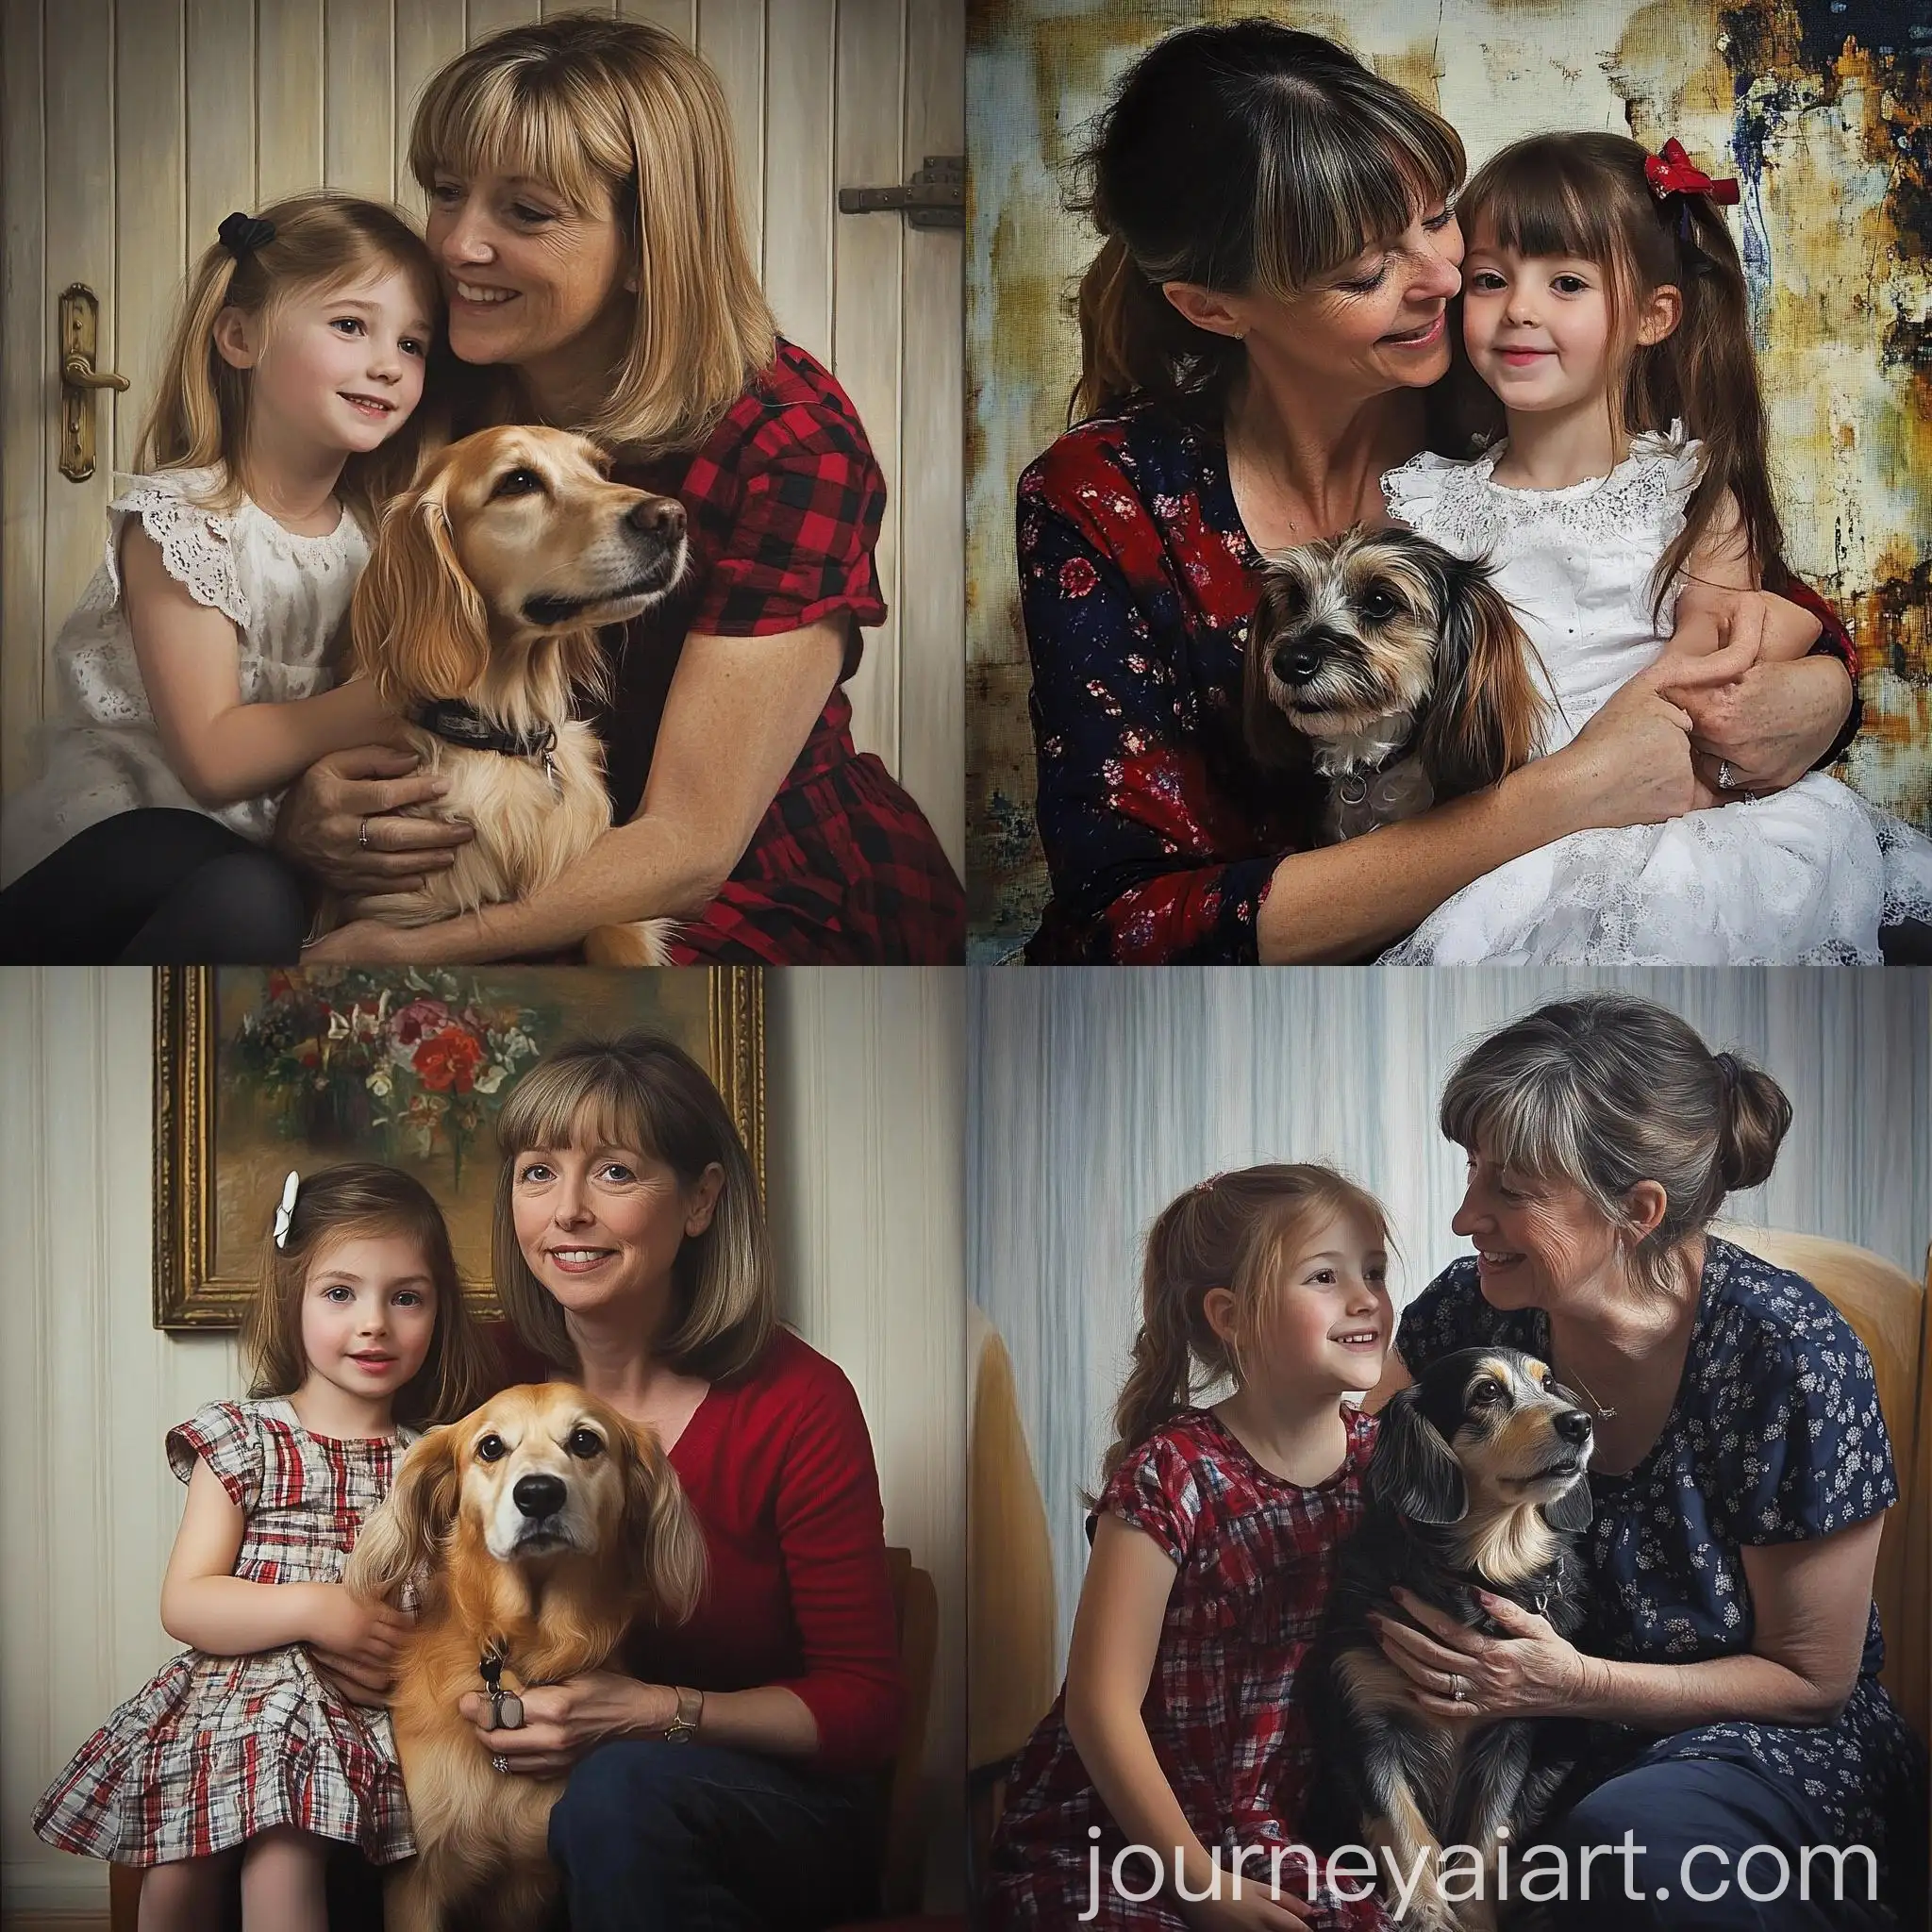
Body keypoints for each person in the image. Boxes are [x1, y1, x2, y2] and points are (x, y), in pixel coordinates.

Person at [1016, 19, 1863, 964]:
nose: (1446, 277)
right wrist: (1563, 794)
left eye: (1434, 217)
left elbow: (1724, 596)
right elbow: (1122, 928)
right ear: (1212, 307)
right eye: (1367, 271)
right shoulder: (1106, 498)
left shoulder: (1502, 385)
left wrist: (1822, 693)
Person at [298, 15, 963, 965]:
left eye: (526, 213)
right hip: (479, 846)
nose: (456, 245)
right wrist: (301, 814)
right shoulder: (405, 375)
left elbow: (690, 843)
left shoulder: (790, 440)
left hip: (736, 883)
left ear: (652, 245)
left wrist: (430, 951)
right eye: (447, 192)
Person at [1370, 994, 1928, 1930]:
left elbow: (1810, 1681)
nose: (1466, 1217)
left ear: (1636, 1209)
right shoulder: (1469, 1313)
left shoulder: (1787, 1355)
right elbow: (1353, 1463)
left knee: (1629, 1848)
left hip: (1749, 1749)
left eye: (1510, 1189)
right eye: (1471, 1171)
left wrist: (1572, 1683)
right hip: (1529, 1736)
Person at [1377, 133, 1932, 962]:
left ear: (1652, 316)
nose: (1519, 308)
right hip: (1502, 825)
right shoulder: (1424, 502)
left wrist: (1783, 656)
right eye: (1491, 280)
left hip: (1675, 819)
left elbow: (1714, 659)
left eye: (1567, 283)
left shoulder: (1691, 492)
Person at [474, 1032, 902, 1929]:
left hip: (768, 1808)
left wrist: (653, 1712)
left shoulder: (799, 1401)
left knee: (616, 1793)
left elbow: (864, 1709)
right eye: (538, 1172)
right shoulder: (482, 1386)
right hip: (531, 1796)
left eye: (615, 1173)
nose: (568, 1212)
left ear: (701, 1199)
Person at [31, 1164, 490, 1931]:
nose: (374, 1323)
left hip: (354, 1716)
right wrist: (316, 1609)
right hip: (230, 1708)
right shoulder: (245, 1438)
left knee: (288, 1849)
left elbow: (452, 1606)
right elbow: (187, 1601)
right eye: (340, 1293)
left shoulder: (434, 1461)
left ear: (439, 1310)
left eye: (406, 1297)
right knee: (180, 1863)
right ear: (291, 1298)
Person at [0, 197, 439, 964]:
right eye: (350, 325)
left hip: (250, 860)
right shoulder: (183, 522)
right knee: (245, 890)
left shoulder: (378, 541)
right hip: (132, 845)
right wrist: (397, 696)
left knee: (259, 898)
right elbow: (213, 759)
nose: (388, 364)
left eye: (412, 343)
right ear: (240, 338)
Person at [986, 1164, 1396, 1931]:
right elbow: (1100, 1706)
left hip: (1275, 1833)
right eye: (1325, 1276)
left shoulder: (1390, 1468)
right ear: (1230, 1316)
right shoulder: (1172, 1474)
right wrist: (1199, 1885)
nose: (1367, 1297)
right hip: (1118, 1837)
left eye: (1373, 1271)